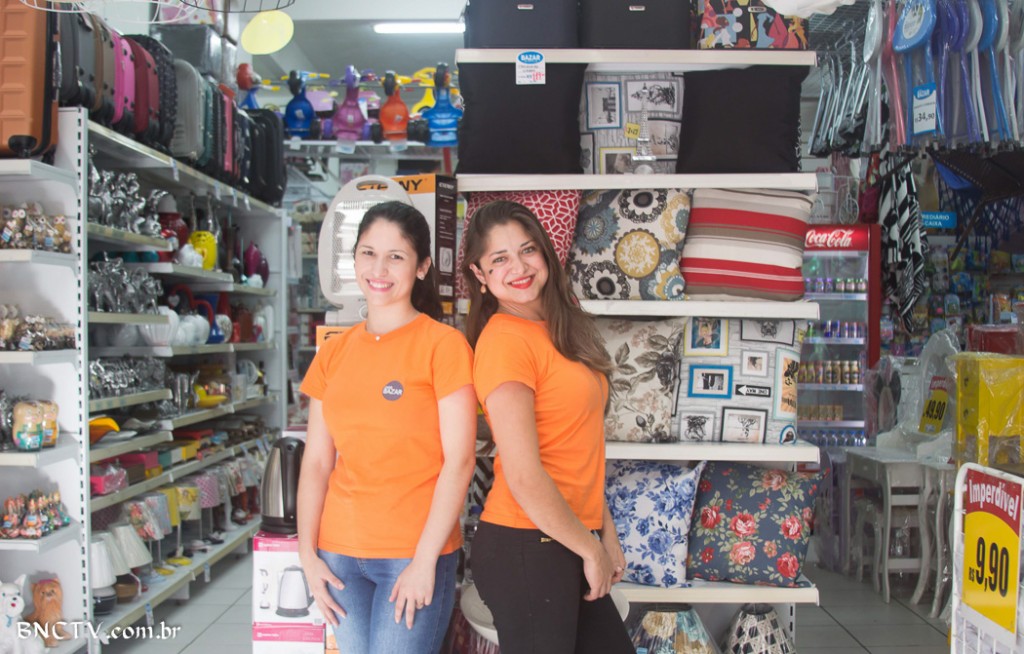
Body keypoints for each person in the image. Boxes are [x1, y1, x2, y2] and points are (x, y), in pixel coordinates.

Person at [297, 201, 477, 654]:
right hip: (338, 554)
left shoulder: (443, 346)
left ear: (422, 267)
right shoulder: (333, 353)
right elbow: (316, 463)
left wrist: (425, 561)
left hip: (412, 553)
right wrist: (307, 554)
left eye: (396, 256)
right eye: (368, 253)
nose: (378, 269)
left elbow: (460, 461)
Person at [461, 200, 634, 653]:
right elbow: (524, 475)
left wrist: (604, 533)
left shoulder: (558, 330)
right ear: (480, 274)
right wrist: (591, 549)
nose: (519, 267)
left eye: (527, 250)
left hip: (565, 534)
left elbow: (576, 450)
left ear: (545, 254)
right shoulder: (505, 342)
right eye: (500, 259)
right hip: (525, 544)